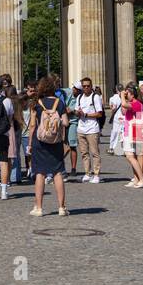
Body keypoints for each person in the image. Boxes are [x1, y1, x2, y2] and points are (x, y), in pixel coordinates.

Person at [28, 77, 69, 217]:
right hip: (56, 142)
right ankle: (62, 207)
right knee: (57, 173)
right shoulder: (60, 103)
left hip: (39, 142)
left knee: (40, 173)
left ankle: (38, 208)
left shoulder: (37, 103)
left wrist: (29, 144)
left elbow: (33, 125)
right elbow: (65, 122)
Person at [73, 78, 103, 183]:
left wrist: (86, 114)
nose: (86, 88)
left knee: (95, 152)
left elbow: (100, 113)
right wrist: (77, 113)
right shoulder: (79, 97)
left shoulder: (95, 97)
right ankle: (87, 173)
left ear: (91, 86)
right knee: (84, 153)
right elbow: (76, 111)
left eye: (88, 86)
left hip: (92, 128)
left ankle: (96, 174)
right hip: (81, 128)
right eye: (84, 86)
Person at [118, 86, 143, 187]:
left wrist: (122, 96)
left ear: (133, 94)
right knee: (132, 156)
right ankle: (136, 179)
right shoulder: (132, 104)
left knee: (130, 156)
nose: (126, 95)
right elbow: (124, 111)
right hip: (130, 132)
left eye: (127, 94)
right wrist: (124, 97)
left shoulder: (137, 104)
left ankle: (142, 179)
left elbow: (124, 104)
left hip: (134, 132)